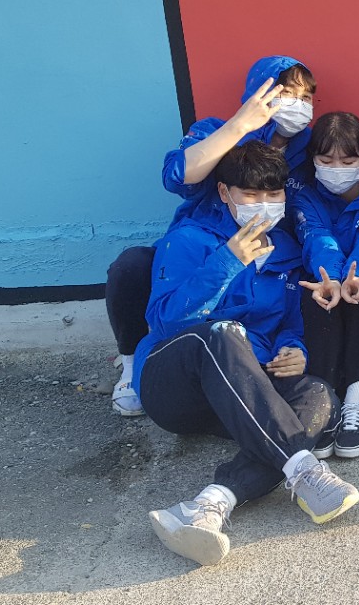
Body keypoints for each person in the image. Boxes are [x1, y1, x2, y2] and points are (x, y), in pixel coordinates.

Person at [136, 141, 359, 567]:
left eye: (273, 195)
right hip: (174, 385)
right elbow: (163, 322)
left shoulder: (286, 250)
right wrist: (227, 261)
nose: (263, 204)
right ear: (224, 193)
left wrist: (293, 349)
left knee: (318, 395)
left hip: (240, 394)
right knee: (222, 334)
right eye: (251, 194)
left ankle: (212, 502)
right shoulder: (188, 240)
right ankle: (303, 468)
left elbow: (288, 322)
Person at [106, 56, 317, 417]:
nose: (297, 104)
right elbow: (177, 176)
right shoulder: (217, 130)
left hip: (266, 252)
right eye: (287, 93)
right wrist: (240, 125)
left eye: (306, 97)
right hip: (203, 246)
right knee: (133, 267)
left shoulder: (307, 149)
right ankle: (131, 366)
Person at [292, 112, 359, 459]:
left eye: (348, 161)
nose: (337, 168)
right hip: (326, 272)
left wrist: (354, 275)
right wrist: (332, 279)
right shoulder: (305, 195)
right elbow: (316, 236)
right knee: (315, 293)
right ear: (312, 159)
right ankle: (325, 403)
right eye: (326, 160)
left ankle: (356, 398)